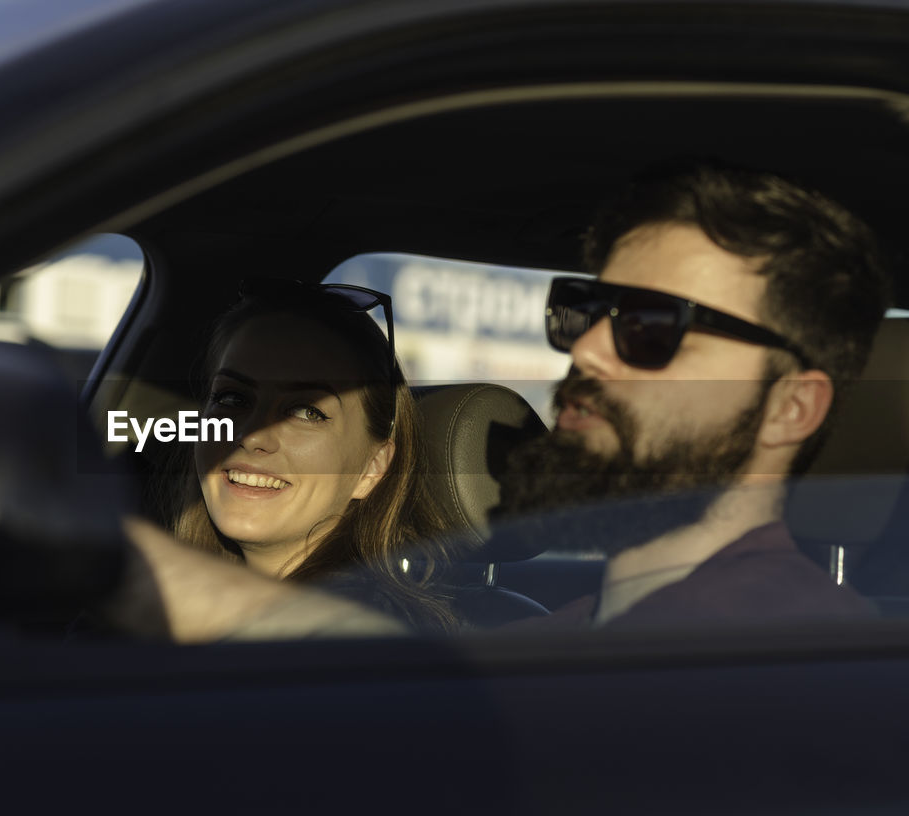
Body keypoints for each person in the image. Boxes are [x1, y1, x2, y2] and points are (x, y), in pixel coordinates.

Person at [493, 161, 892, 626]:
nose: (586, 348)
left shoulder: (799, 664)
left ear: (792, 408)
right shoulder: (544, 640)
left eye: (652, 325)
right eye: (588, 310)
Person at [158, 280, 455, 632]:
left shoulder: (353, 639)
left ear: (372, 468)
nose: (252, 436)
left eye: (306, 412)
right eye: (232, 399)